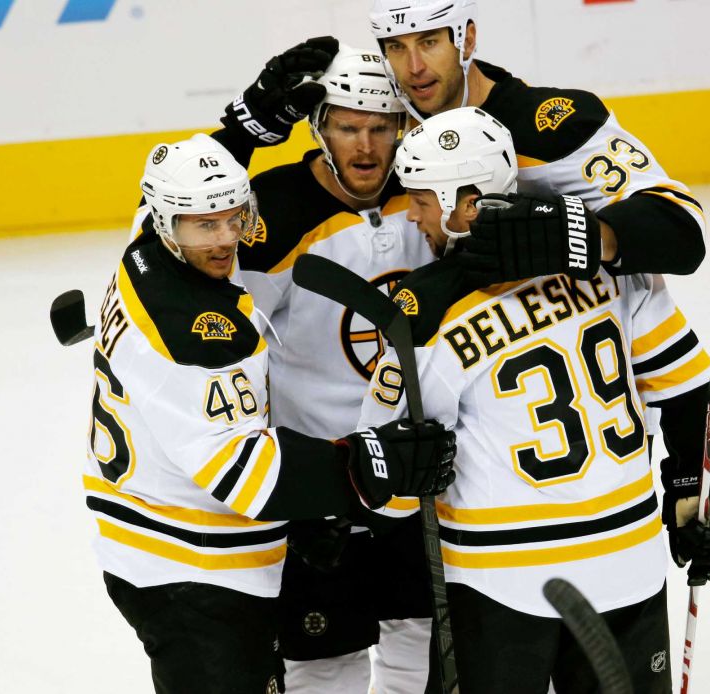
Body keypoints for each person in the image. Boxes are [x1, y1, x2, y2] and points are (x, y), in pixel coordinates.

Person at [358, 107, 710, 693]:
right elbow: (692, 390)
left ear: (466, 205)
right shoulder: (614, 271)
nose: (411, 216)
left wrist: (392, 474)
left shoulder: (427, 311)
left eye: (420, 200)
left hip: (500, 581)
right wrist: (699, 489)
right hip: (627, 563)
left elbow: (388, 487)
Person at [83, 133, 456, 694]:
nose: (226, 239)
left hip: (151, 537)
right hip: (194, 568)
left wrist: (243, 125)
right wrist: (374, 466)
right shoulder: (200, 337)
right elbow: (243, 472)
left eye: (235, 219)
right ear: (168, 224)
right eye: (205, 226)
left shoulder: (143, 247)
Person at [227, 45, 442, 693]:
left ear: (404, 126)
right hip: (320, 479)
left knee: (423, 636)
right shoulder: (273, 209)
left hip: (416, 467)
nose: (367, 145)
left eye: (382, 126)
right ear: (320, 127)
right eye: (349, 126)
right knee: (323, 664)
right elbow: (238, 351)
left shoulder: (432, 192)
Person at [367, 0, 707, 285]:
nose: (414, 68)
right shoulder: (393, 122)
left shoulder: (552, 128)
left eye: (428, 43)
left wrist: (580, 236)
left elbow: (682, 228)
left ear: (466, 40)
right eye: (397, 47)